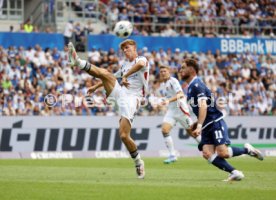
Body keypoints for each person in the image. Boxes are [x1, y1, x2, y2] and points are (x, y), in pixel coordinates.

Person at [68, 40, 149, 179]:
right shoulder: (124, 66)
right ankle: (78, 62)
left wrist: (125, 76)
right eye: (123, 48)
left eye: (127, 47)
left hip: (133, 99)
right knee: (105, 73)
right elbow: (112, 76)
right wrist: (95, 87)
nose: (125, 50)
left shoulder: (141, 59)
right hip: (121, 95)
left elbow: (140, 65)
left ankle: (138, 162)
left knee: (124, 136)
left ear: (135, 48)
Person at [180, 58, 264, 181]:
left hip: (214, 122)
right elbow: (202, 108)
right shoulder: (191, 87)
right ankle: (235, 172)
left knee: (222, 152)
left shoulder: (197, 84)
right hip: (206, 125)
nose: (180, 70)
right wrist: (197, 123)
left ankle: (247, 150)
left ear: (191, 69)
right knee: (207, 153)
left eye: (183, 67)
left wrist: (198, 125)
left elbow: (203, 105)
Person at [157, 65, 201, 164]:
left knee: (193, 133)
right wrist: (161, 103)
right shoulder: (163, 84)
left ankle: (208, 150)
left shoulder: (173, 81)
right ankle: (172, 155)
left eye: (165, 71)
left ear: (169, 72)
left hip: (181, 110)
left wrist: (167, 101)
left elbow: (180, 94)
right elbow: (168, 97)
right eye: (161, 72)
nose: (163, 73)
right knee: (164, 130)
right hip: (171, 111)